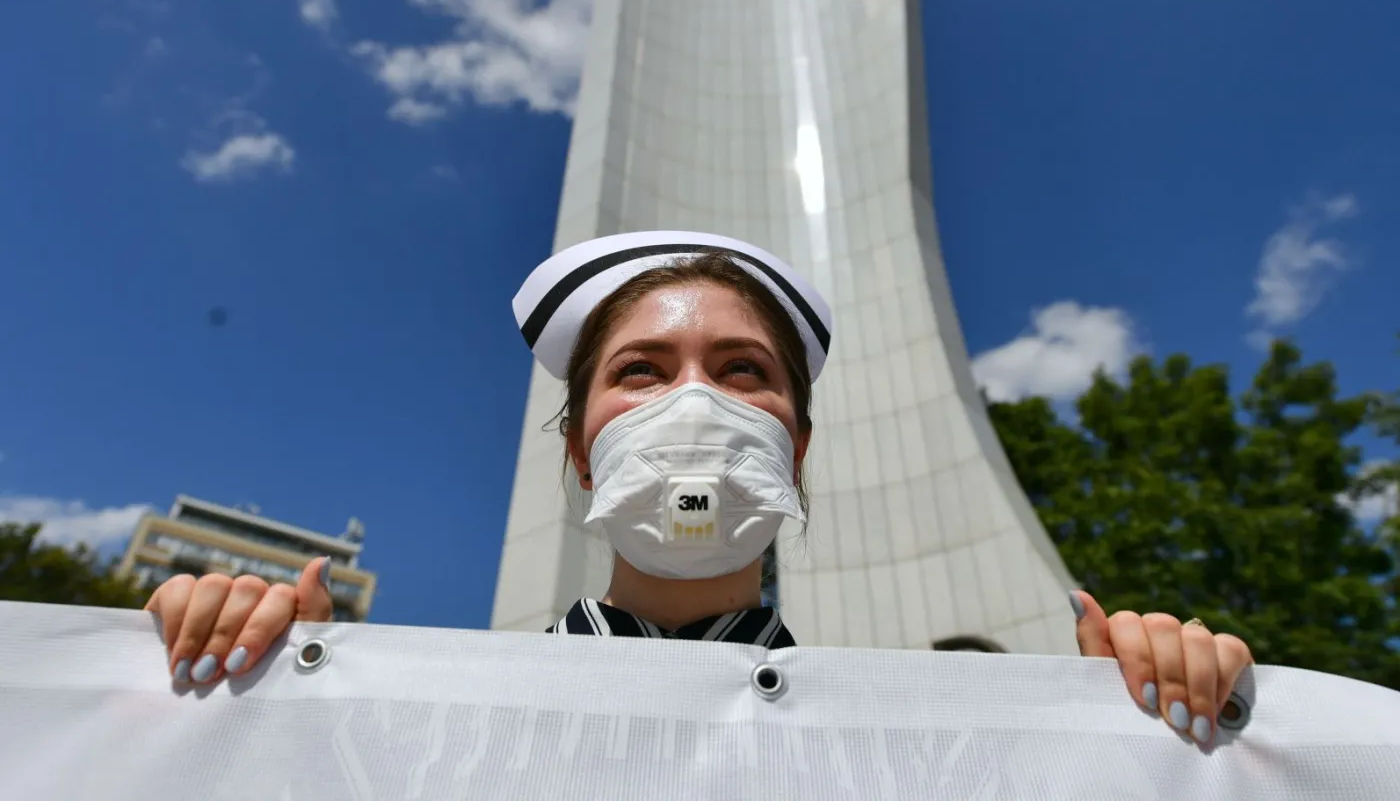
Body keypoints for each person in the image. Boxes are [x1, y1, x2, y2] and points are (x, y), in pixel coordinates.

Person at [144, 230, 1252, 747]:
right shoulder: (423, 718)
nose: (694, 406)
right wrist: (266, 699)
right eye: (641, 371)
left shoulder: (906, 745)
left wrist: (1163, 723)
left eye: (740, 373)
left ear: (794, 447)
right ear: (579, 449)